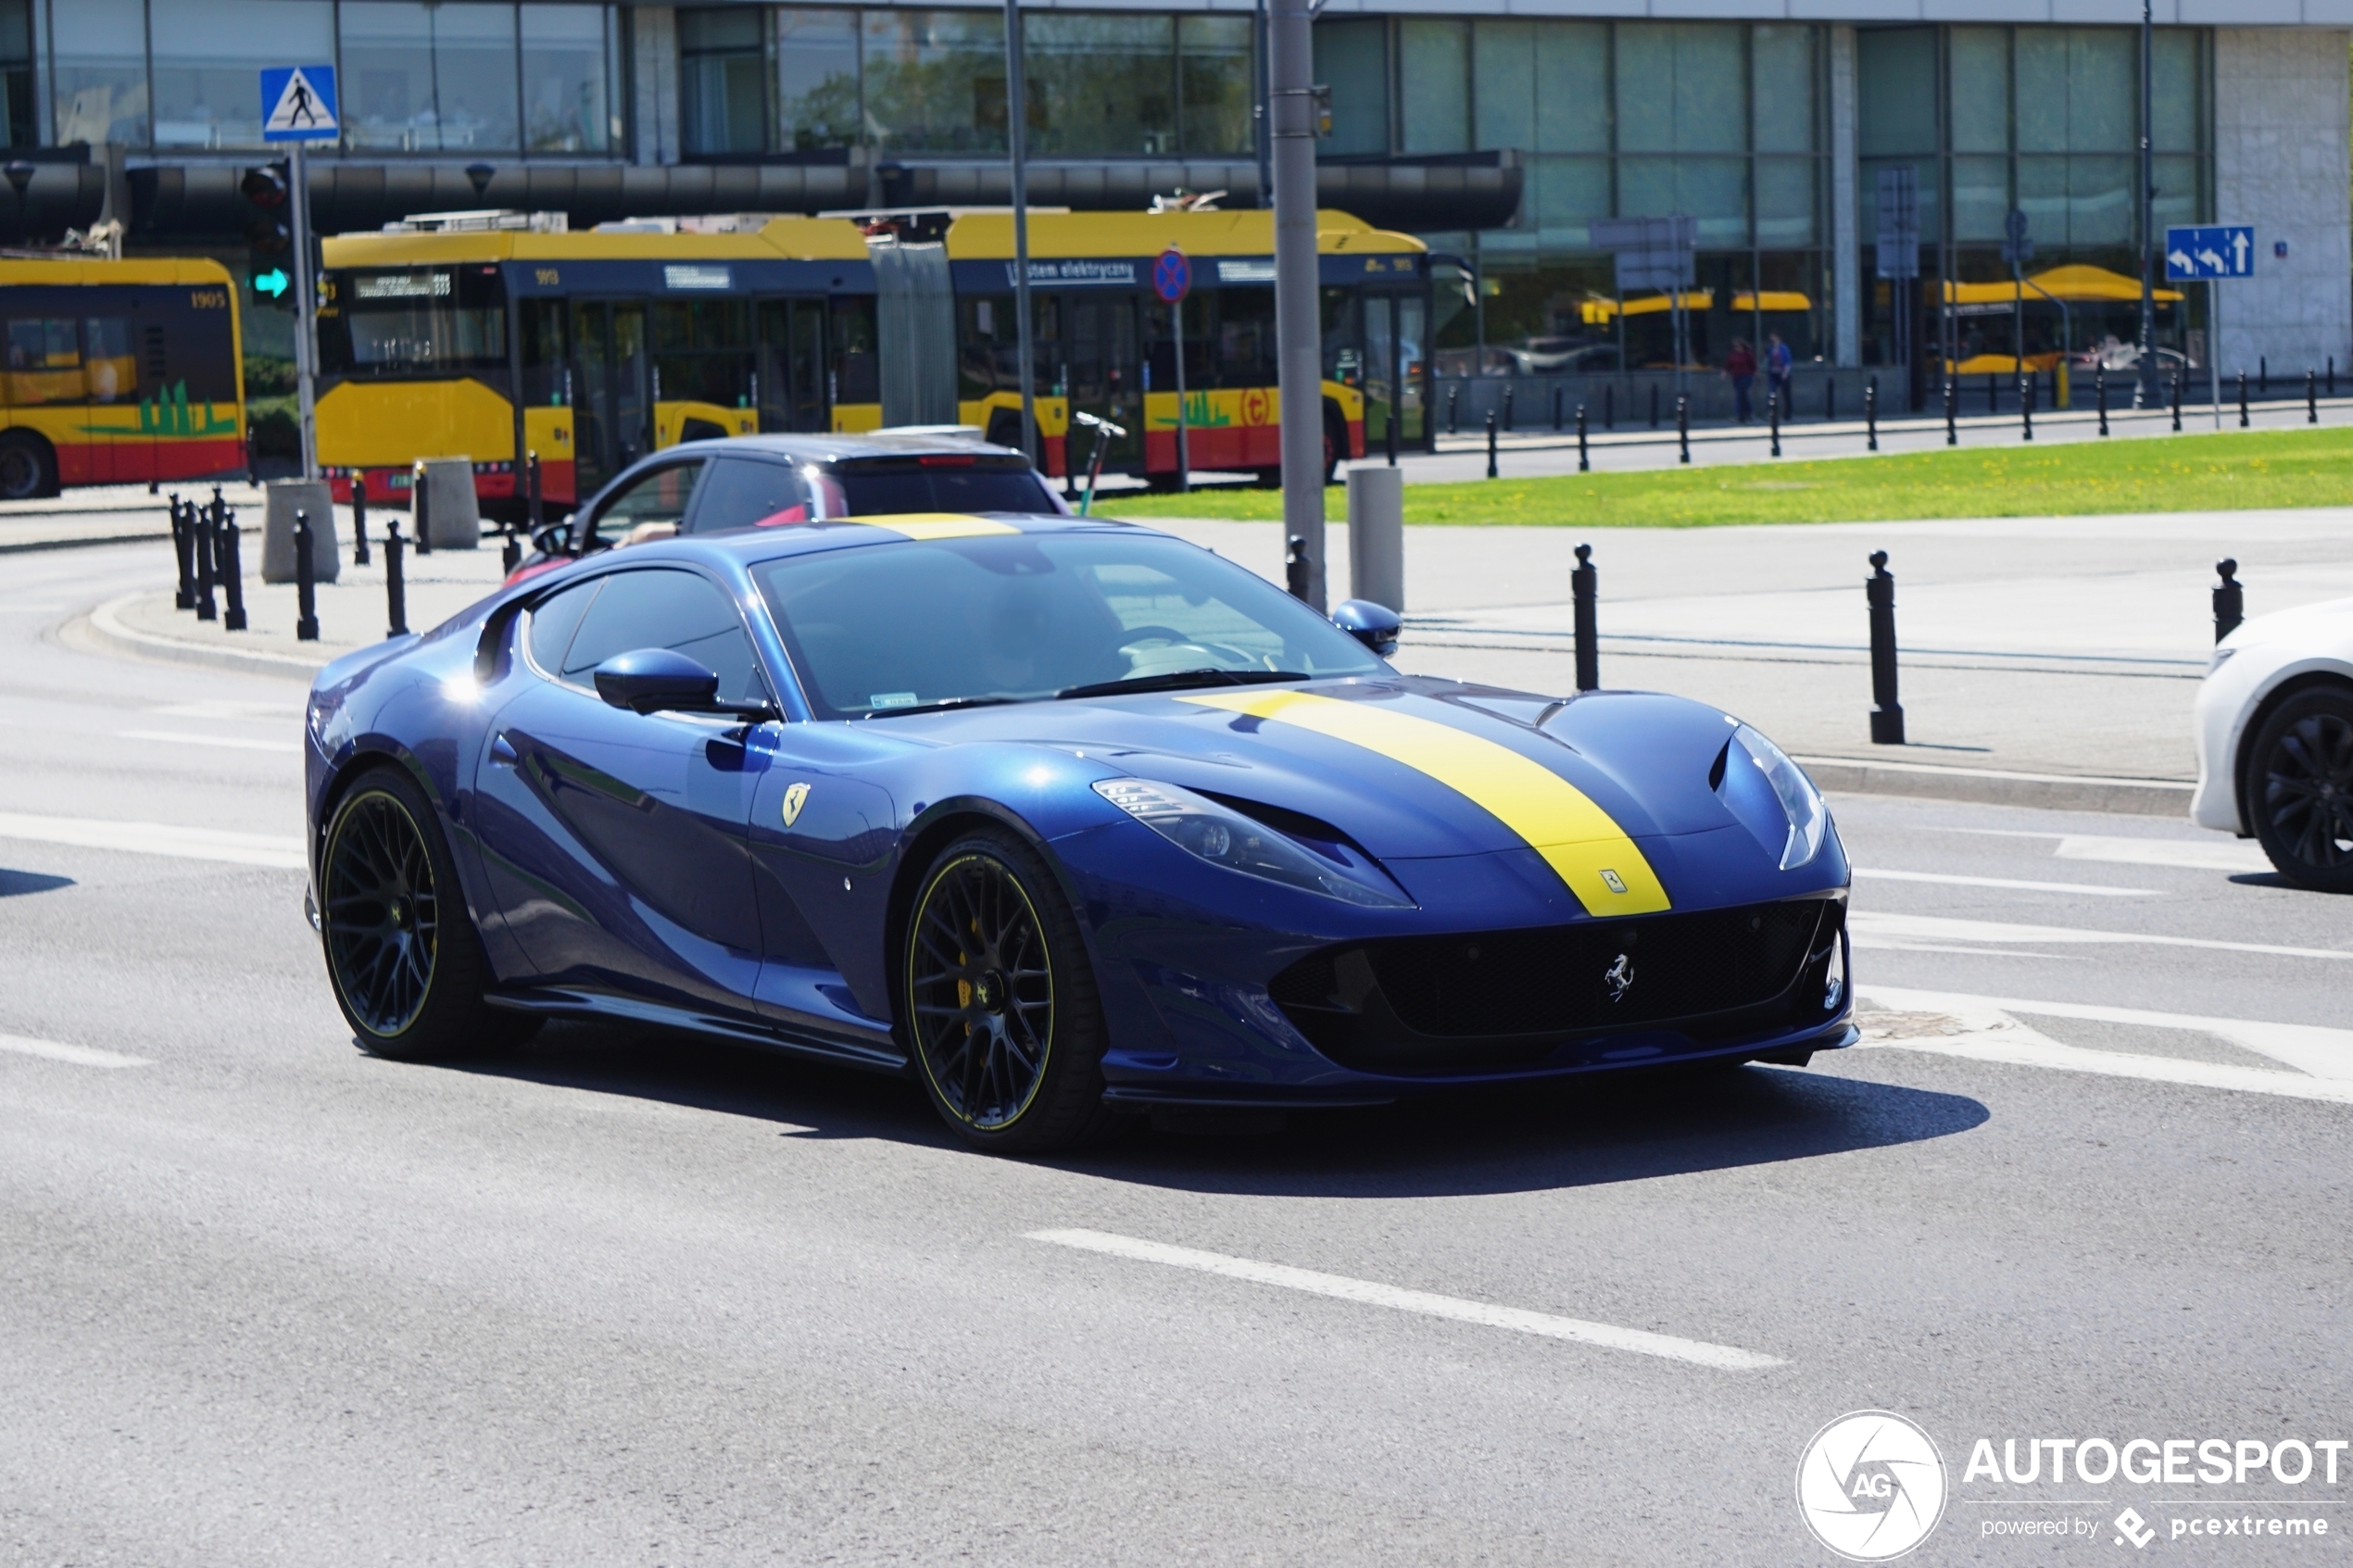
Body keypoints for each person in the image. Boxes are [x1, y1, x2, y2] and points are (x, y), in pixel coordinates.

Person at [1724, 338, 1757, 424]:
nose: (1736, 348)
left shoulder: (1748, 355)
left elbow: (1753, 366)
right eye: (1735, 346)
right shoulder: (1733, 355)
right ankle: (1749, 413)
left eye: (1737, 346)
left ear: (1742, 346)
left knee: (1741, 395)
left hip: (1746, 376)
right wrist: (1724, 373)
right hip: (1736, 377)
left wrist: (1756, 375)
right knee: (1743, 395)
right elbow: (1729, 365)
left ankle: (1739, 415)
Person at [1767, 332, 1794, 414]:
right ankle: (1771, 411)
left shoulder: (1783, 348)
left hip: (1783, 373)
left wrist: (1785, 372)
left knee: (1785, 394)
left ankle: (1787, 412)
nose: (1772, 340)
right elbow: (1768, 359)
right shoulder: (1770, 348)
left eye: (1774, 338)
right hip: (1773, 373)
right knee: (1771, 392)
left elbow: (1788, 361)